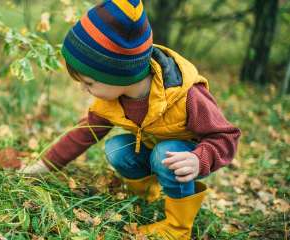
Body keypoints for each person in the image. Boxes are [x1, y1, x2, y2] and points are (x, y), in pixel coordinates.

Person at [18, 0, 241, 239]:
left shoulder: (185, 95)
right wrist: (45, 165)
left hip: (185, 158)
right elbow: (84, 133)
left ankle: (177, 228)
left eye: (89, 83)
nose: (84, 89)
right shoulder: (114, 98)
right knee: (117, 147)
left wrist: (200, 159)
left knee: (164, 153)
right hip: (155, 151)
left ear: (119, 74)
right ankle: (145, 196)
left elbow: (227, 136)